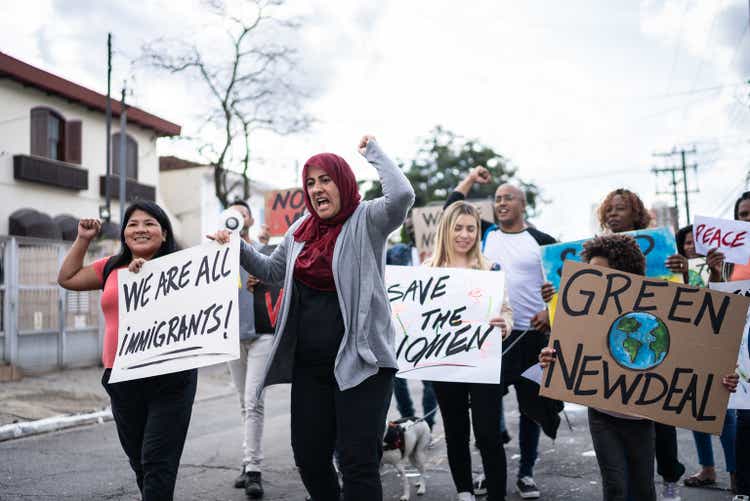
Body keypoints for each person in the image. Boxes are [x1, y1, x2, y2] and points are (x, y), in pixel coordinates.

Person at [209, 135, 414, 501]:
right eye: (310, 182)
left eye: (325, 179)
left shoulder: (367, 219)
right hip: (311, 367)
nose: (316, 188)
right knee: (308, 456)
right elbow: (271, 270)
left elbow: (401, 196)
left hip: (362, 365)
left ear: (344, 182)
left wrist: (375, 154)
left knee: (358, 462)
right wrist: (237, 246)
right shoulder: (299, 231)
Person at [539, 233, 739, 501]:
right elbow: (564, 348)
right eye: (589, 271)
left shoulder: (656, 312)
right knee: (616, 487)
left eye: (601, 272)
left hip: (642, 416)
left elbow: (703, 343)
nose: (591, 277)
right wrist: (549, 358)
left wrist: (720, 378)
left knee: (643, 489)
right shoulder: (588, 309)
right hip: (602, 414)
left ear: (625, 276)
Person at [57, 201, 195, 501]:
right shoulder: (109, 267)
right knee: (139, 461)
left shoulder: (184, 268)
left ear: (164, 233)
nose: (140, 229)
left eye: (149, 223)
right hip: (121, 376)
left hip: (170, 377)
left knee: (157, 460)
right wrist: (83, 238)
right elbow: (66, 278)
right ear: (124, 233)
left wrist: (150, 277)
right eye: (132, 224)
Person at [447, 166, 560, 499]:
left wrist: (548, 314)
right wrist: (469, 179)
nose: (501, 203)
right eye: (497, 199)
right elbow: (452, 208)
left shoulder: (542, 241)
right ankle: (489, 469)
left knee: (532, 409)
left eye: (508, 197)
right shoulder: (485, 235)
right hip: (492, 337)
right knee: (487, 412)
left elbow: (566, 287)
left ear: (523, 204)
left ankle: (526, 473)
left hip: (532, 336)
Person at [596, 188, 687, 501]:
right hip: (619, 344)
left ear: (636, 213)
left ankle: (670, 477)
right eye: (608, 209)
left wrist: (682, 272)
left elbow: (681, 297)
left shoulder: (660, 248)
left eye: (619, 209)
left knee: (662, 420)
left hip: (649, 340)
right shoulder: (597, 250)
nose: (612, 214)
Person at [427, 201, 513, 501]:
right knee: (456, 431)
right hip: (445, 365)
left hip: (483, 362)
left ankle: (497, 495)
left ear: (478, 232)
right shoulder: (427, 272)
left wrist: (506, 324)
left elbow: (506, 311)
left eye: (471, 228)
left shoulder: (491, 268)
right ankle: (464, 491)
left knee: (489, 434)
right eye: (458, 228)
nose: (464, 235)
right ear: (446, 231)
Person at [226, 200, 273, 498]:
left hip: (261, 335)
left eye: (243, 212)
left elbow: (284, 278)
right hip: (231, 336)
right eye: (232, 213)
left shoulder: (264, 253)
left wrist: (265, 275)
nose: (238, 217)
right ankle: (247, 463)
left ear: (250, 219)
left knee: (254, 400)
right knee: (245, 402)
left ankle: (253, 468)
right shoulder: (216, 255)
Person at [387, 213, 438, 431]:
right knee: (397, 374)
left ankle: (427, 422)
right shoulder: (397, 253)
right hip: (401, 322)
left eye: (413, 221)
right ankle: (408, 417)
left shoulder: (440, 254)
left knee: (430, 377)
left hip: (430, 322)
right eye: (406, 222)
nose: (409, 224)